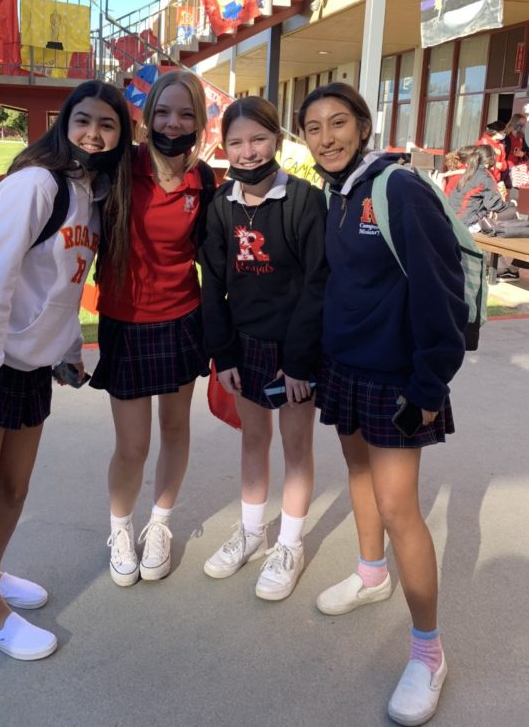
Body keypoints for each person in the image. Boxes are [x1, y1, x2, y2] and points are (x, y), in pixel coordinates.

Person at [0, 80, 132, 660]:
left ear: (119, 136)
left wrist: (65, 350)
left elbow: (62, 288)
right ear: (64, 123)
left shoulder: (93, 195)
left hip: (32, 367)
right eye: (83, 120)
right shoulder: (36, 185)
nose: (94, 132)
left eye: (107, 125)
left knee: (15, 490)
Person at [298, 83, 468, 726]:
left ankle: (428, 653)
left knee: (401, 509)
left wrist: (430, 385)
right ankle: (371, 576)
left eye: (339, 123)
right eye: (314, 128)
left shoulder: (398, 188)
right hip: (346, 368)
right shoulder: (339, 195)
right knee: (360, 476)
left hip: (399, 377)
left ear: (363, 125)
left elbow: (441, 289)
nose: (327, 137)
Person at [200, 97, 327, 601]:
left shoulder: (302, 200)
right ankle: (252, 533)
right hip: (245, 346)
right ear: (223, 146)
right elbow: (213, 284)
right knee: (254, 442)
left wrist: (299, 360)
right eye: (236, 142)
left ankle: (289, 544)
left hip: (296, 349)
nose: (248, 151)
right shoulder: (220, 205)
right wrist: (223, 354)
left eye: (258, 139)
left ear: (277, 138)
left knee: (297, 448)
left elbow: (318, 283)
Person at [91, 70, 215, 586]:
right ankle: (120, 528)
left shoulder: (204, 180)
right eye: (164, 112)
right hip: (124, 321)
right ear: (146, 116)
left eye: (186, 114)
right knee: (133, 445)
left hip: (182, 318)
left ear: (200, 122)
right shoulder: (121, 168)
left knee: (176, 428)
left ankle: (160, 524)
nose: (173, 122)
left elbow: (216, 255)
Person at [449, 143, 520, 280]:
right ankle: (501, 268)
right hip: (467, 225)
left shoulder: (469, 172)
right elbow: (495, 205)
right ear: (491, 159)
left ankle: (495, 264)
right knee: (512, 220)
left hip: (455, 222)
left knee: (501, 219)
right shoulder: (484, 176)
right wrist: (512, 204)